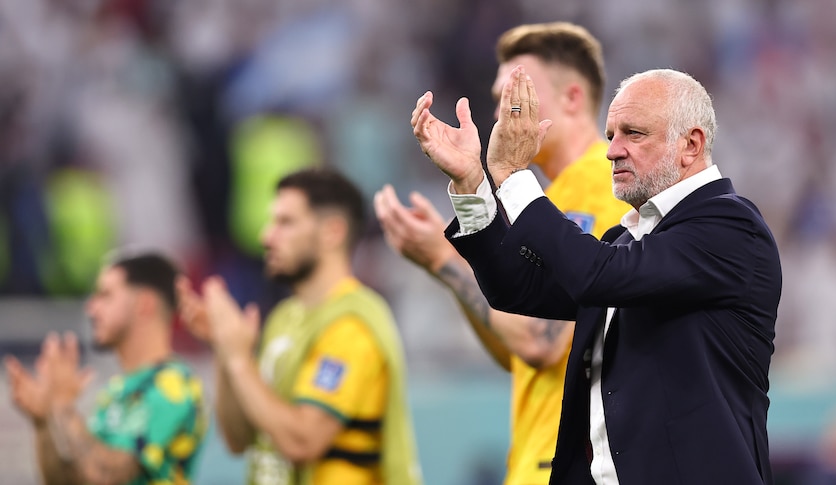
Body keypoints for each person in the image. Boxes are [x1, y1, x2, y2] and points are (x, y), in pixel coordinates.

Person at [411, 66, 782, 484]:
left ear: (691, 144)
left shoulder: (731, 226)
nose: (613, 150)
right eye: (610, 135)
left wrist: (514, 178)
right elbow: (517, 289)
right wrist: (472, 182)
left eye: (633, 134)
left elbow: (596, 275)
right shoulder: (626, 241)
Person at [374, 22, 629, 485]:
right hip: (535, 459)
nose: (499, 112)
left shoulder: (600, 185)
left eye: (515, 94)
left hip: (570, 463)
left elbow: (541, 341)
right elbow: (516, 339)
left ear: (572, 98)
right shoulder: (554, 197)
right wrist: (451, 249)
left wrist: (444, 259)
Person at [177, 167, 422, 485]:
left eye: (285, 223)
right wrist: (225, 350)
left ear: (332, 232)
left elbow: (302, 441)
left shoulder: (352, 324)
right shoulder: (284, 317)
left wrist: (239, 359)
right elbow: (240, 439)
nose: (266, 236)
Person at [4, 252, 207, 485]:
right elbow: (68, 480)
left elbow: (105, 476)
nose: (91, 308)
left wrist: (61, 405)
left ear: (144, 304)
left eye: (105, 295)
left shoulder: (175, 388)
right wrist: (44, 422)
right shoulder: (116, 390)